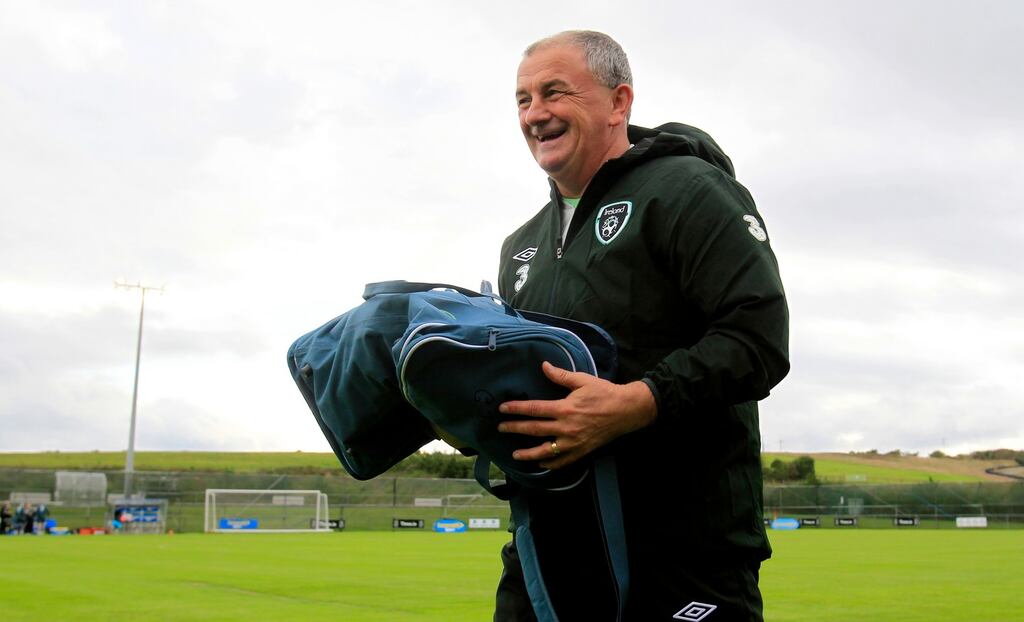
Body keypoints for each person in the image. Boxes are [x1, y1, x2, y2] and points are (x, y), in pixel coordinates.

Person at [494, 31, 790, 621]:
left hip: (683, 555)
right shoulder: (519, 247)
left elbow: (758, 336)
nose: (536, 114)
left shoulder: (686, 190)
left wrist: (639, 401)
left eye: (555, 92)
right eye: (523, 100)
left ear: (618, 102)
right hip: (549, 550)